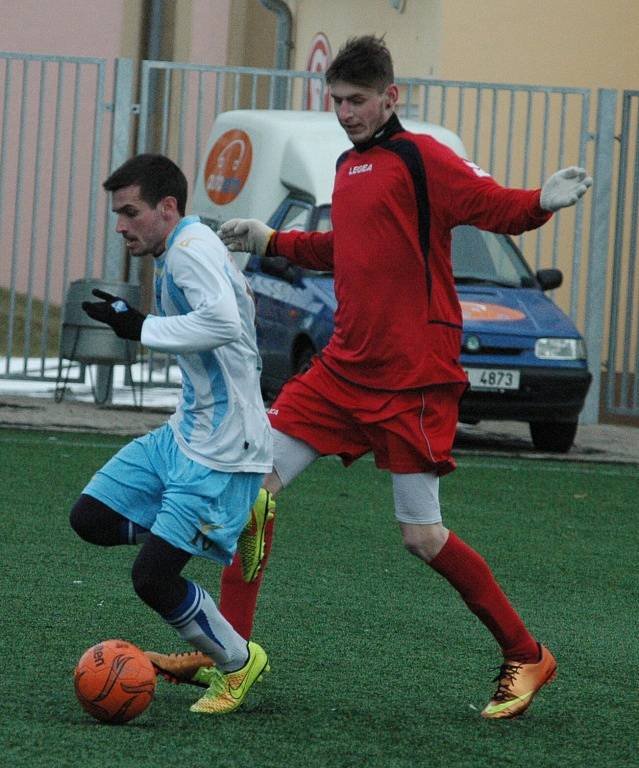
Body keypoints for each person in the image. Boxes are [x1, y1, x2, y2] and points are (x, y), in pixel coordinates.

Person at [147, 36, 593, 719]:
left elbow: (493, 205)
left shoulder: (422, 159)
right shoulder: (349, 167)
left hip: (411, 377)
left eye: (357, 101)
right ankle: (226, 654)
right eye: (335, 102)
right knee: (247, 493)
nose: (346, 113)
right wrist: (270, 241)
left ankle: (526, 653)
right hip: (340, 372)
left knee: (421, 536)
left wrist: (541, 202)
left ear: (390, 97)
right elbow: (342, 250)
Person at [69, 153, 273, 715]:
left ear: (167, 207)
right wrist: (133, 316)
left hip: (225, 449)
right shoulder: (184, 247)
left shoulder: (188, 252)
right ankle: (230, 524)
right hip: (186, 431)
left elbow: (223, 323)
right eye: (116, 213)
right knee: (91, 518)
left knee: (152, 578)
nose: (120, 225)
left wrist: (136, 325)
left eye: (130, 212)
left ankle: (237, 663)